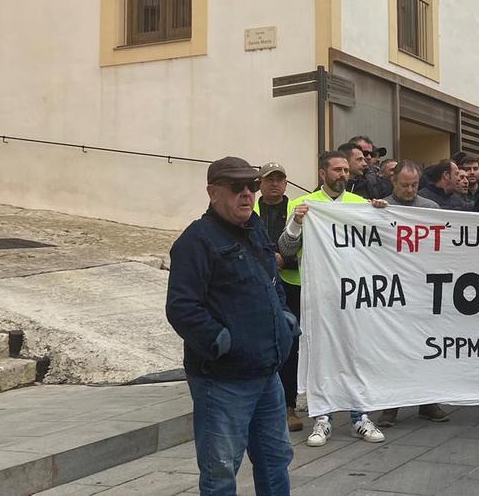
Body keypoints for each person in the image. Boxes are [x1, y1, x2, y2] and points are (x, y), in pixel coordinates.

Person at [166, 157, 297, 495]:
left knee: (275, 459)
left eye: (251, 187)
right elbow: (182, 307)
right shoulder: (197, 241)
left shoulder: (254, 229)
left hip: (268, 375)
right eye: (236, 187)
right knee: (221, 472)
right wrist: (221, 341)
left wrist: (285, 320)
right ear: (212, 193)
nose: (247, 194)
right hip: (222, 382)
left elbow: (273, 282)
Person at [278, 151, 390, 447]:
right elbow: (287, 248)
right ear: (322, 173)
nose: (343, 174)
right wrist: (296, 223)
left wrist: (382, 211)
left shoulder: (359, 204)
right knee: (319, 353)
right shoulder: (301, 204)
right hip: (317, 296)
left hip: (354, 295)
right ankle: (322, 417)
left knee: (356, 353)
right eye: (337, 170)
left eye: (345, 170)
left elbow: (382, 243)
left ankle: (360, 416)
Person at [375, 160, 450, 428]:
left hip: (423, 289)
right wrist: (374, 212)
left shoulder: (430, 209)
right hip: (394, 291)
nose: (409, 190)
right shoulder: (381, 207)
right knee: (394, 347)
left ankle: (427, 401)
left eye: (414, 185)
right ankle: (390, 405)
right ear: (393, 183)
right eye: (404, 185)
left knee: (425, 346)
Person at [251, 161, 305, 433]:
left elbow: (312, 249)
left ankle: (289, 405)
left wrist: (286, 261)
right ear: (259, 183)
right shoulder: (249, 210)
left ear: (286, 183)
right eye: (269, 179)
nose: (274, 184)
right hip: (258, 287)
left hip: (291, 286)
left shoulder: (300, 210)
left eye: (279, 179)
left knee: (290, 344)